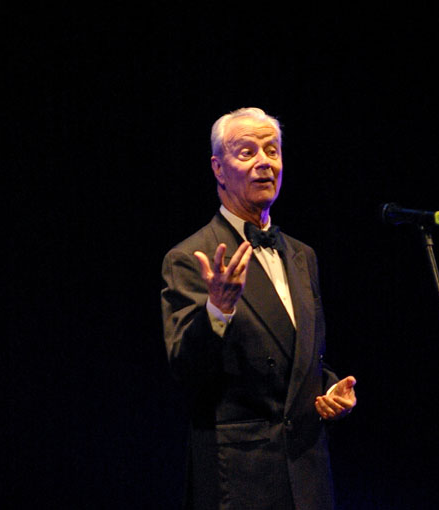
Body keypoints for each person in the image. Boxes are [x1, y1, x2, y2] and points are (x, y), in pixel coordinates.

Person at [161, 107, 357, 510]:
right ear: (218, 169)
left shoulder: (303, 256)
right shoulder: (191, 256)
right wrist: (218, 310)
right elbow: (185, 369)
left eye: (272, 150)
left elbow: (297, 357)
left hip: (308, 473)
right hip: (240, 477)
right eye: (247, 152)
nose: (264, 162)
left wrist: (328, 389)